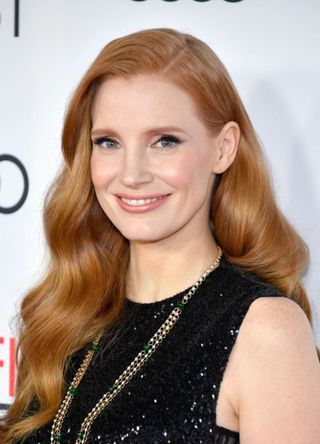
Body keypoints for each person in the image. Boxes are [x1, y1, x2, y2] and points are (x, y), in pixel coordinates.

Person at [1, 28, 320, 444]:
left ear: (224, 148)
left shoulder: (266, 331)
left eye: (164, 141)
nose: (132, 174)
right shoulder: (61, 318)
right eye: (109, 142)